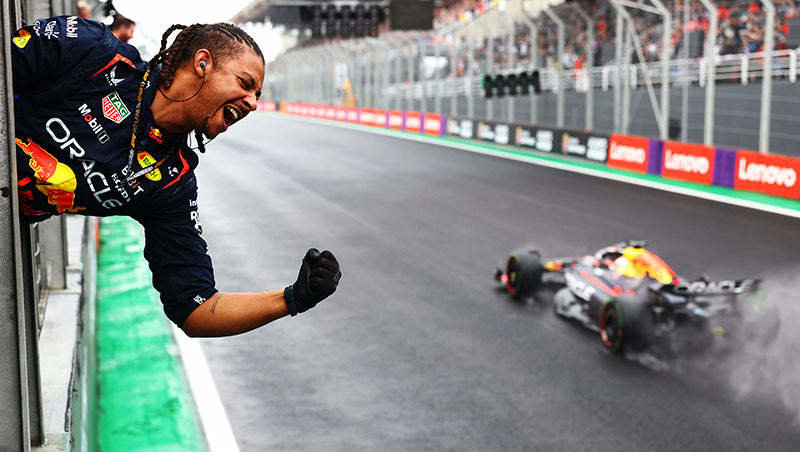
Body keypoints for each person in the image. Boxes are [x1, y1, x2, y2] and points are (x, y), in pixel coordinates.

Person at [11, 16, 341, 337]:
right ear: (202, 63)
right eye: (246, 84)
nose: (254, 104)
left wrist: (293, 298)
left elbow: (197, 310)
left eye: (257, 95)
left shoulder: (173, 182)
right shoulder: (94, 50)